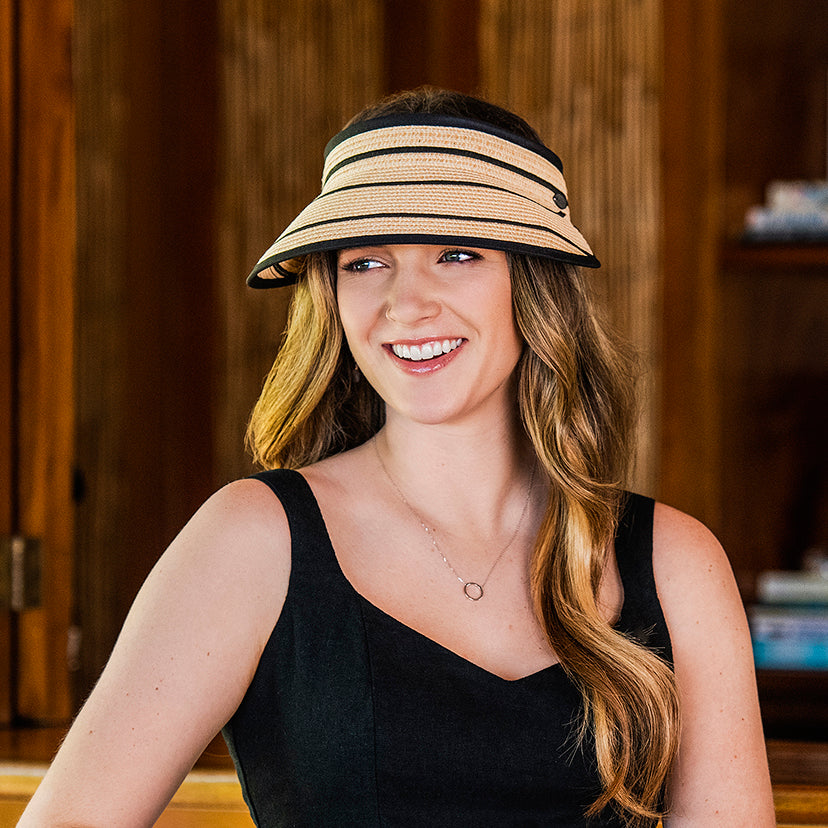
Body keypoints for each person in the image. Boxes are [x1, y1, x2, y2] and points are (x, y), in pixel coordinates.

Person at [19, 88, 775, 827]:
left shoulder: (676, 562)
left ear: (534, 284)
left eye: (456, 253)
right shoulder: (250, 542)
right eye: (365, 262)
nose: (406, 304)